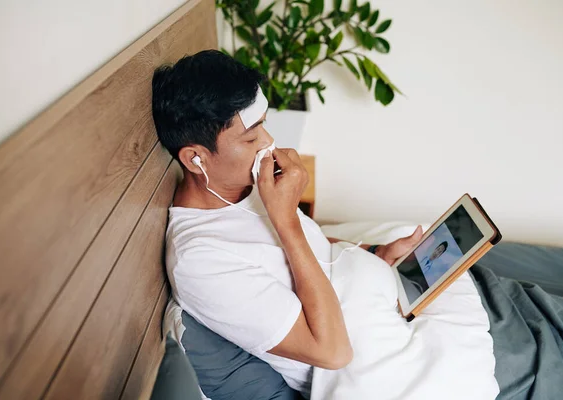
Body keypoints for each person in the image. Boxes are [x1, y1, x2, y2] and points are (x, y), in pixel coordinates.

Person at [151, 50, 423, 397]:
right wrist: (286, 218)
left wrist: (374, 253)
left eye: (264, 124)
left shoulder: (244, 185)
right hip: (374, 373)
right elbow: (333, 353)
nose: (268, 143)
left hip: (387, 315)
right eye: (250, 137)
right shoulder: (201, 260)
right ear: (195, 158)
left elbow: (307, 255)